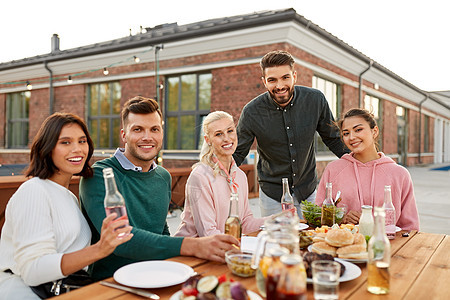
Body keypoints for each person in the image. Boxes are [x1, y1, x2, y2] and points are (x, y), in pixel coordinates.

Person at [80, 96, 239, 280]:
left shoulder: (163, 176)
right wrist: (194, 245)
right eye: (138, 129)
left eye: (154, 129)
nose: (147, 137)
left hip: (158, 275)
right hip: (110, 284)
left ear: (162, 133)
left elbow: (161, 230)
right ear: (124, 135)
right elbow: (121, 239)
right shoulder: (100, 175)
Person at [0, 113, 132, 299]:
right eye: (65, 142)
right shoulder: (33, 191)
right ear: (47, 148)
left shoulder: (69, 196)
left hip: (66, 289)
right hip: (25, 293)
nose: (77, 149)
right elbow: (32, 270)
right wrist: (99, 249)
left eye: (82, 141)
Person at [233, 50, 348, 217]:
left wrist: (358, 161)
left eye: (285, 77)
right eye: (272, 80)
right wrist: (212, 171)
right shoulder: (251, 112)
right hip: (272, 195)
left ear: (294, 76)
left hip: (308, 191)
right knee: (276, 241)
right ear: (264, 82)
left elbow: (333, 139)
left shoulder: (315, 100)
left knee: (311, 239)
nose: (279, 86)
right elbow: (237, 152)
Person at [315, 108, 419, 230]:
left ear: (374, 131)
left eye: (358, 130)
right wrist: (341, 218)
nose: (352, 137)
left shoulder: (400, 174)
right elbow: (317, 215)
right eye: (346, 133)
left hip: (386, 245)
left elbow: (410, 227)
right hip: (343, 245)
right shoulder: (333, 169)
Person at [175, 111, 266, 237]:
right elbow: (207, 233)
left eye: (230, 131)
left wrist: (277, 220)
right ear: (208, 140)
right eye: (219, 134)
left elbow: (245, 223)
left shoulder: (240, 176)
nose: (227, 139)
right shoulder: (200, 176)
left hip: (222, 247)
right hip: (192, 251)